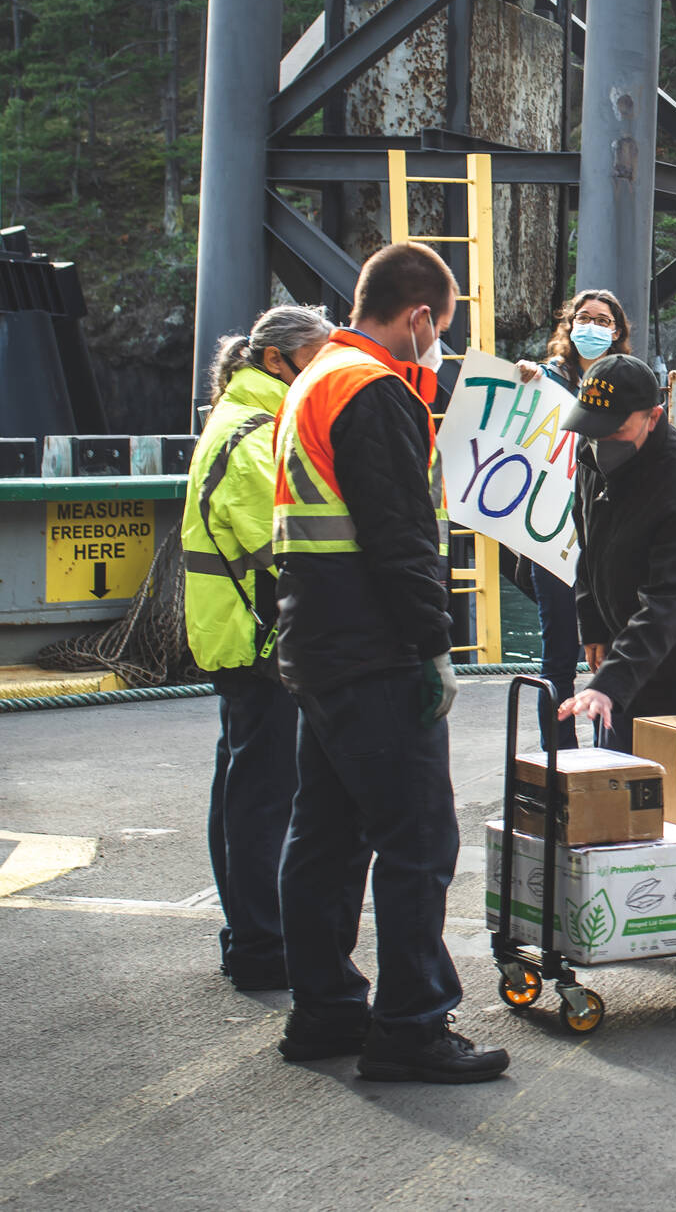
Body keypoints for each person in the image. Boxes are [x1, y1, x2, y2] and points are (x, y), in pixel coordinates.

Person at [271, 241, 509, 1084]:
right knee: (417, 837)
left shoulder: (315, 375)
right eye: (439, 328)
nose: (438, 344)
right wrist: (434, 648)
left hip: (317, 639)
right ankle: (410, 1026)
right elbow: (405, 541)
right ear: (417, 317)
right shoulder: (375, 394)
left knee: (326, 837)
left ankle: (326, 1007)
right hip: (374, 648)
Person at [182, 305, 332, 993]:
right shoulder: (254, 433)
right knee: (264, 797)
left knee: (243, 787)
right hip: (259, 642)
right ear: (277, 360)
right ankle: (260, 943)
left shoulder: (245, 420)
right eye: (316, 355)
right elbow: (274, 551)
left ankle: (249, 933)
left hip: (241, 638)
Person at [555, 353, 676, 749]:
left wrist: (611, 682)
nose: (601, 440)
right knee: (617, 779)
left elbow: (671, 600)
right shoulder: (595, 457)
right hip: (630, 644)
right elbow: (589, 546)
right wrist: (592, 624)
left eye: (615, 429)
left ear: (654, 417)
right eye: (591, 428)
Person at [514, 289, 632, 743]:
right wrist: (521, 377)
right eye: (584, 318)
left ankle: (614, 749)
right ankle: (558, 758)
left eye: (603, 320)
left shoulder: (624, 381)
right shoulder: (544, 379)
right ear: (568, 325)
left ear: (617, 330)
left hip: (606, 537)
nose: (593, 327)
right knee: (558, 654)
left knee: (618, 648)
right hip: (554, 537)